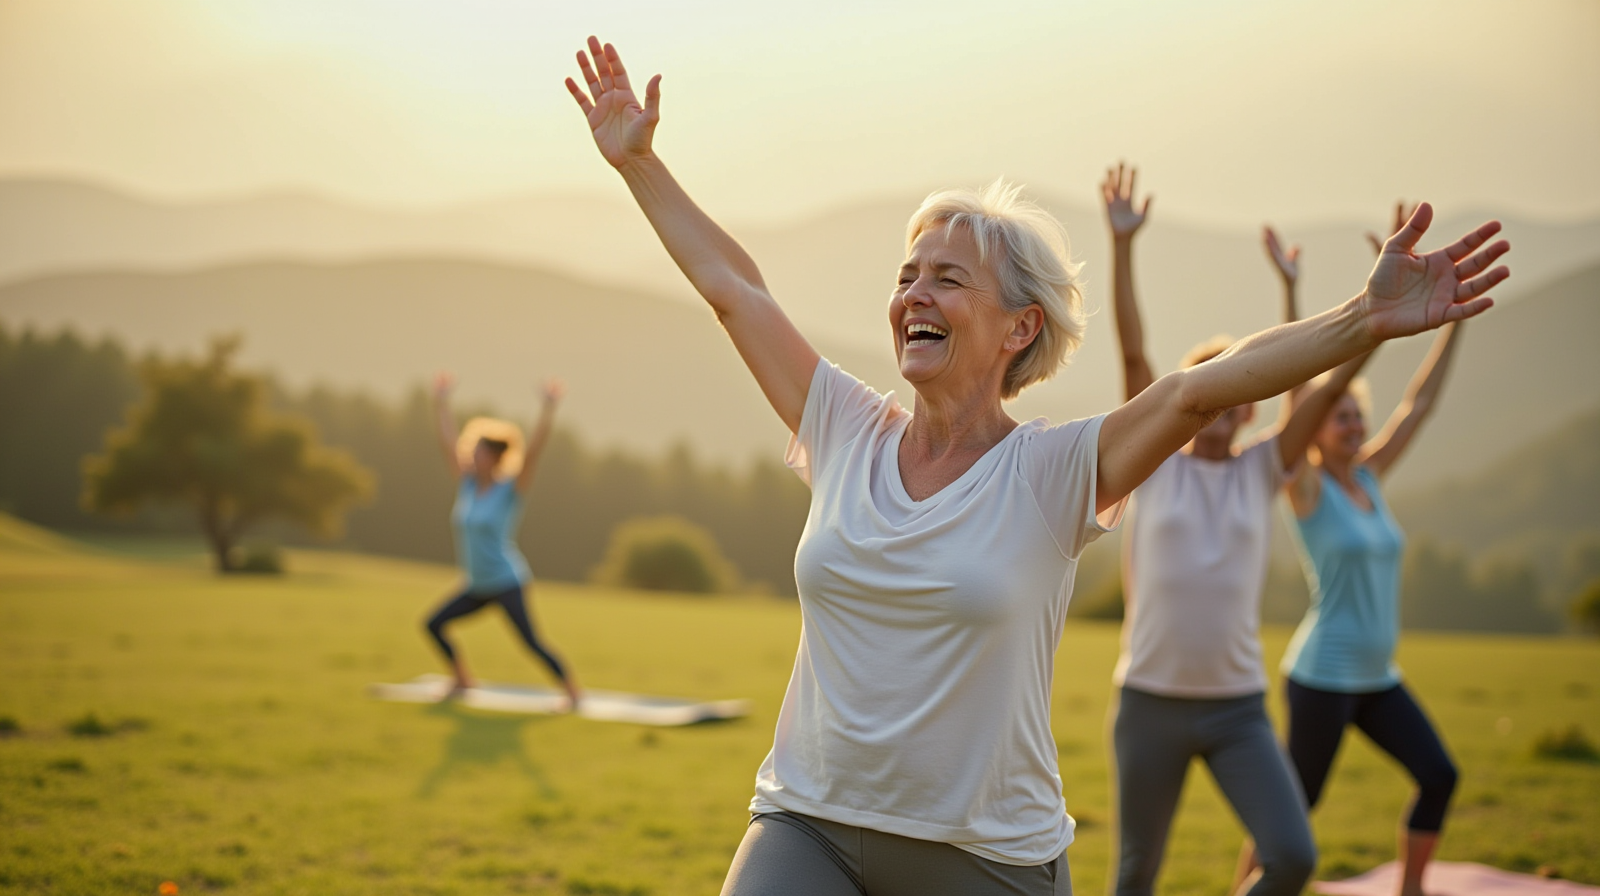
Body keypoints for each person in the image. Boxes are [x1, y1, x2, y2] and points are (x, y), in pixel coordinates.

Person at [564, 36, 1508, 896]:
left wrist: (1361, 320)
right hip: (806, 824)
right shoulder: (843, 425)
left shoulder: (1053, 472)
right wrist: (639, 163)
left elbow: (1196, 392)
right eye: (906, 275)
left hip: (986, 855)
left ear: (1020, 328)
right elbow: (737, 290)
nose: (914, 294)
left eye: (947, 278)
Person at [1099, 164, 1371, 896]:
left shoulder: (1263, 469)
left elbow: (1318, 390)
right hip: (1149, 703)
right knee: (1134, 876)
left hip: (1237, 710)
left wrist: (1368, 315)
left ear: (1248, 404)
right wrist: (1121, 245)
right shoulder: (1154, 464)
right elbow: (1133, 356)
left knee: (1292, 856)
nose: (1219, 404)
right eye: (1206, 388)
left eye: (1234, 390)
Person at [1280, 215, 1467, 896]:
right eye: (1342, 417)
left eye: (1359, 416)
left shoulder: (1369, 478)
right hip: (1322, 676)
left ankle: (1411, 890)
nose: (1355, 425)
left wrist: (1452, 316)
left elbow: (1418, 406)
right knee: (1294, 809)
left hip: (1377, 676)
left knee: (1439, 776)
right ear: (1317, 430)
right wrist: (1292, 291)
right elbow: (1298, 397)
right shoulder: (1306, 490)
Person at [423, 373, 581, 708]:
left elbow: (534, 452)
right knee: (433, 625)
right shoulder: (467, 485)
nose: (473, 455)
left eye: (480, 452)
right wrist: (441, 401)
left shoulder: (510, 490)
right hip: (476, 584)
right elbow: (447, 443)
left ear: (494, 458)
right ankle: (462, 680)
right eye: (473, 450)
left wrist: (548, 408)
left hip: (507, 581)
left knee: (530, 642)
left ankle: (571, 693)